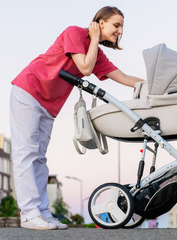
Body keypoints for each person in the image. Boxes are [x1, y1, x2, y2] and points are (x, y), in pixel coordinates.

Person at [9, 6, 143, 230]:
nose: (120, 31)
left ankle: (42, 213)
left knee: (39, 158)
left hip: (49, 104)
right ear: (100, 23)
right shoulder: (74, 33)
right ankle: (28, 214)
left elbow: (125, 77)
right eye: (116, 25)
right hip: (29, 91)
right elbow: (85, 67)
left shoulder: (96, 53)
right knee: (26, 154)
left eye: (122, 27)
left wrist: (154, 86)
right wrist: (93, 39)